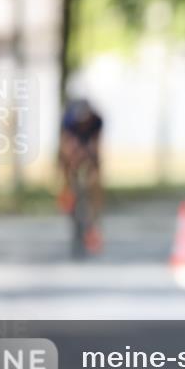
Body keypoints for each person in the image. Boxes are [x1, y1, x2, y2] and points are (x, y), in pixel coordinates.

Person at [58, 98, 104, 253]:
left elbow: (96, 145)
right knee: (68, 161)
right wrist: (72, 158)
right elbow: (66, 143)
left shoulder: (97, 120)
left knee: (95, 177)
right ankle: (68, 195)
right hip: (73, 141)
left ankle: (94, 219)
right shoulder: (69, 121)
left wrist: (93, 162)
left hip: (88, 143)